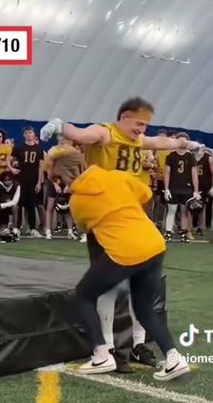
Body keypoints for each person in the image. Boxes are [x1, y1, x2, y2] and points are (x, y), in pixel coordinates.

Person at [41, 97, 203, 371]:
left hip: (126, 212)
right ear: (124, 116)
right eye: (139, 123)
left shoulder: (137, 141)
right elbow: (82, 134)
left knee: (129, 292)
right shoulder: (106, 132)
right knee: (111, 290)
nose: (142, 130)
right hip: (107, 213)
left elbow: (161, 142)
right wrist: (62, 127)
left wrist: (187, 144)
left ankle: (132, 345)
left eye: (145, 125)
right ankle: (111, 349)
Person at [48, 146, 190, 381]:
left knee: (83, 295)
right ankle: (174, 358)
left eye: (57, 179)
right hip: (153, 243)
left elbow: (89, 231)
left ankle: (102, 353)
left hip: (124, 252)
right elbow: (145, 194)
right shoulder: (116, 176)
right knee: (143, 308)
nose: (58, 184)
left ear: (66, 175)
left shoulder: (78, 202)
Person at [7, 126, 44, 238]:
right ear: (24, 135)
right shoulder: (19, 147)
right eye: (26, 133)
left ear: (34, 134)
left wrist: (39, 182)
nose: (28, 134)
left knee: (31, 205)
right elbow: (8, 159)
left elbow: (41, 167)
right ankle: (17, 228)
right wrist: (12, 169)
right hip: (20, 179)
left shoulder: (39, 149)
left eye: (30, 132)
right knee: (18, 204)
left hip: (32, 180)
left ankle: (32, 228)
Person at [164, 132, 200, 242]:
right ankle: (168, 233)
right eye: (181, 140)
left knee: (185, 212)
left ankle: (184, 233)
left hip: (187, 189)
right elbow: (167, 173)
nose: (183, 142)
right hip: (174, 188)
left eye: (185, 140)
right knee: (171, 210)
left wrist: (196, 191)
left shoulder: (190, 157)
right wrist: (166, 189)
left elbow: (194, 175)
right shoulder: (171, 156)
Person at [0, 171, 20, 239]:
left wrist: (2, 205)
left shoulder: (17, 186)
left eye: (10, 180)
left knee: (15, 207)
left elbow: (15, 201)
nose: (8, 182)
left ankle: (15, 230)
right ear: (2, 180)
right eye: (6, 180)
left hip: (6, 206)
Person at [194, 147, 213, 235]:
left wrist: (212, 187)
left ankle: (200, 227)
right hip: (193, 185)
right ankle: (191, 226)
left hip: (205, 185)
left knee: (203, 206)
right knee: (192, 205)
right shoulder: (191, 157)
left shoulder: (208, 158)